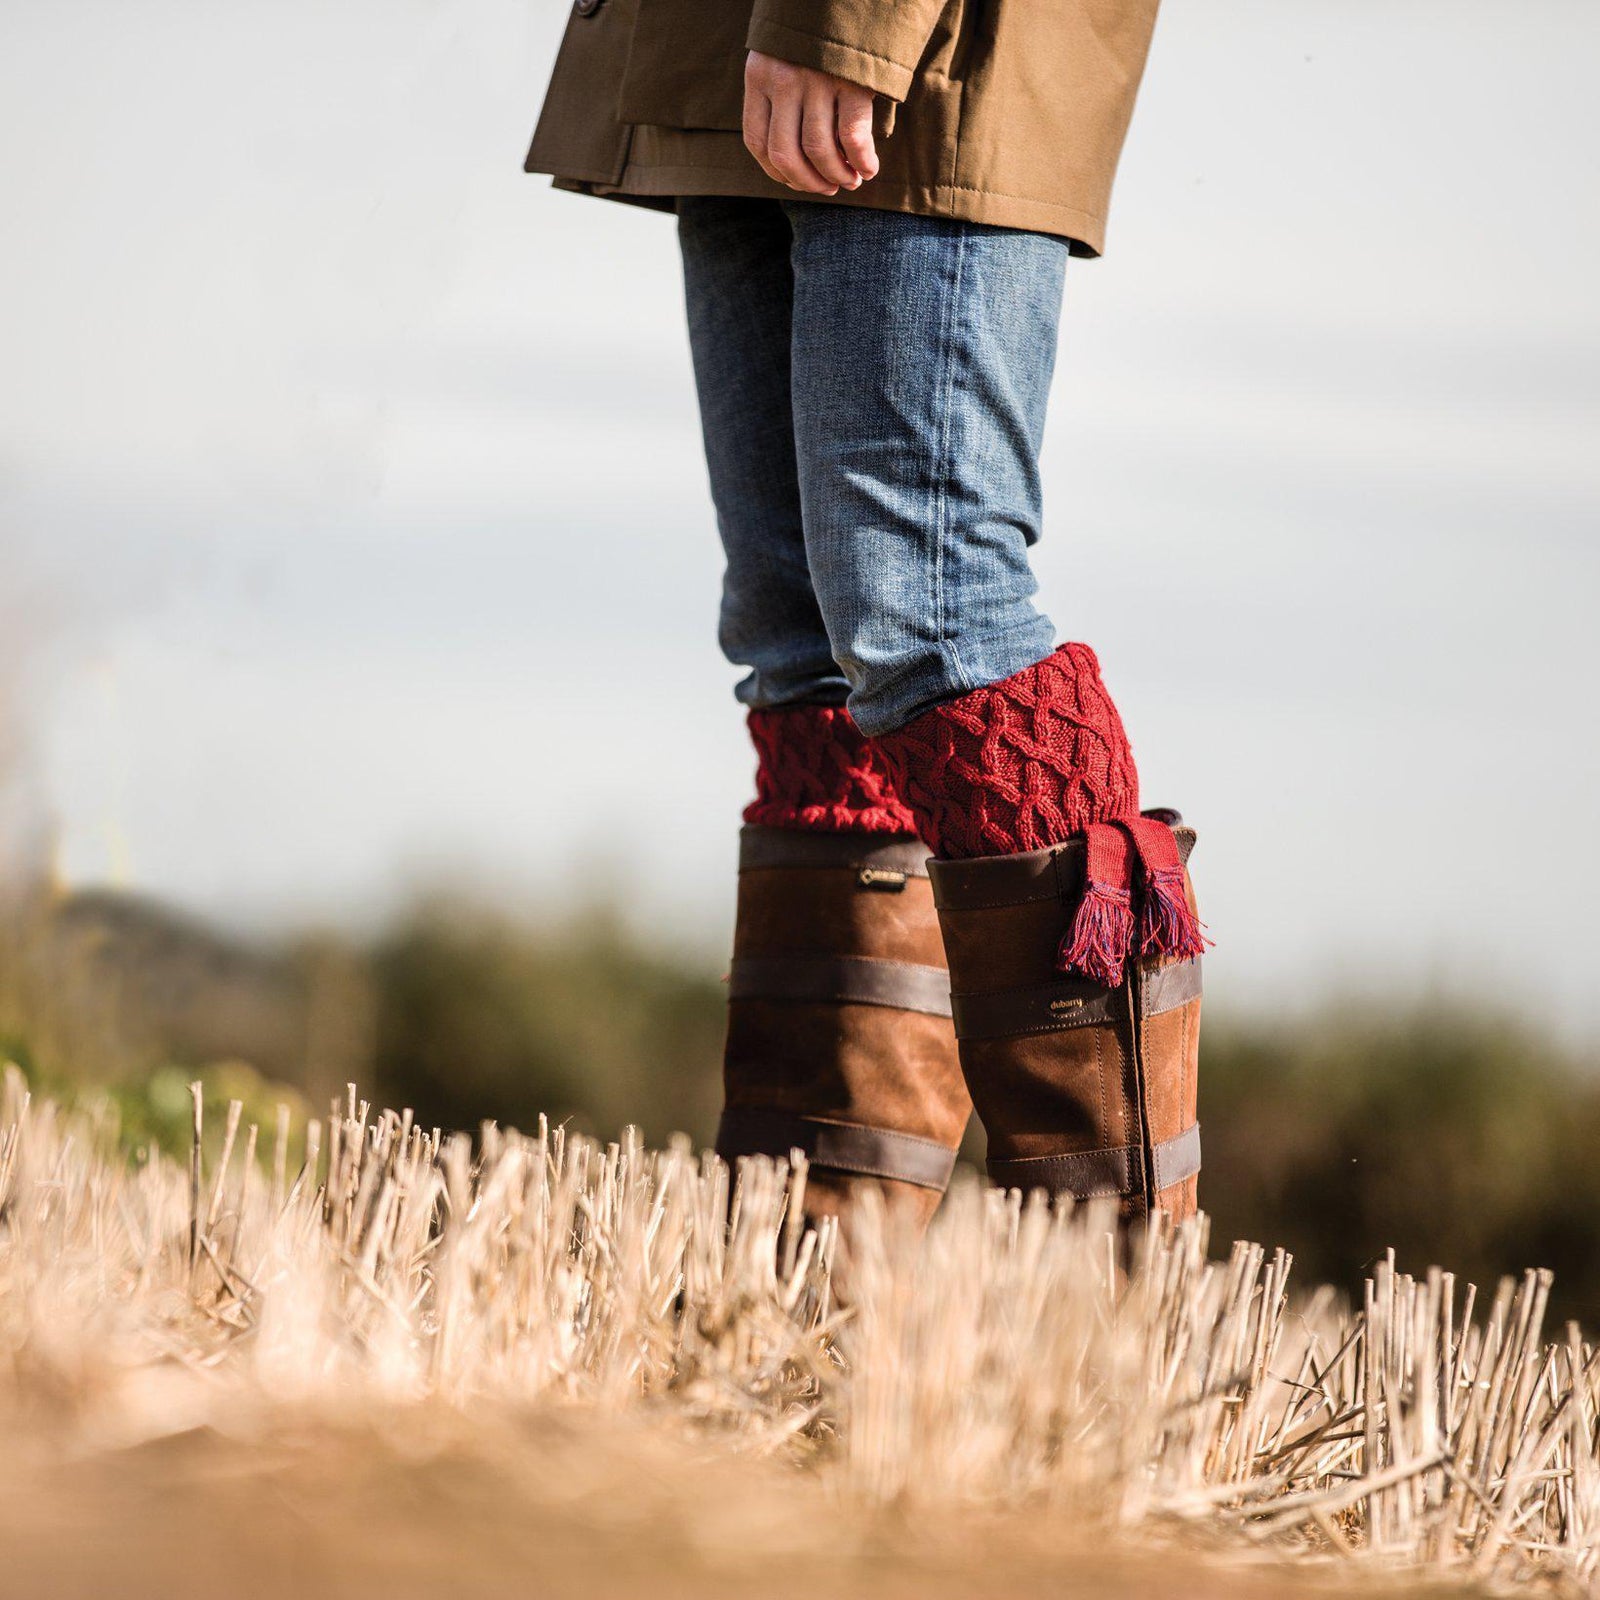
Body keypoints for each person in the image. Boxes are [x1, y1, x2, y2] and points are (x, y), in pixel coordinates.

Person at [524, 0, 1205, 1229]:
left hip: (915, 51)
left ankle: (1116, 1323)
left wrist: (846, 23)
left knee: (933, 622)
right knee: (803, 650)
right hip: (719, 41)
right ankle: (812, 1302)